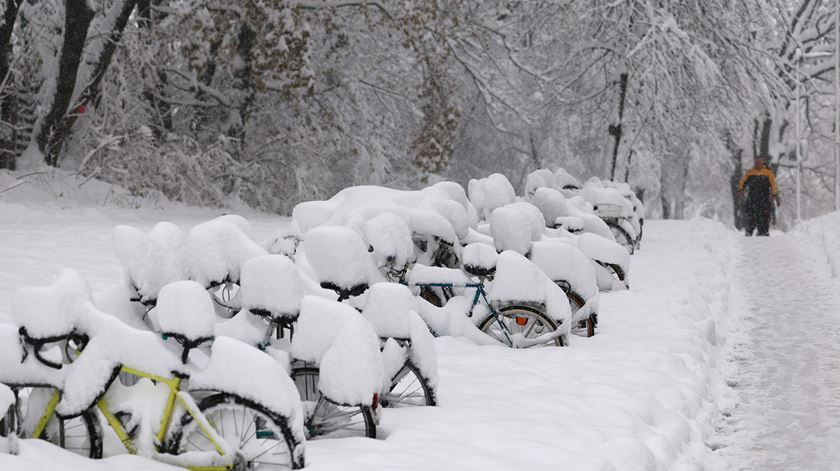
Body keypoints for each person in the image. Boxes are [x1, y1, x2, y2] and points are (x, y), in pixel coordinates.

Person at [738, 156, 780, 236]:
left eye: (759, 162)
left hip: (764, 197)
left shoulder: (768, 173)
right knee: (750, 214)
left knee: (764, 214)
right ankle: (749, 230)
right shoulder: (750, 172)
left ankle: (763, 231)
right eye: (756, 162)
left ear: (763, 163)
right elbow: (742, 181)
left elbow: (773, 184)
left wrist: (774, 193)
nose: (757, 164)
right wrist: (741, 189)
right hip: (752, 197)